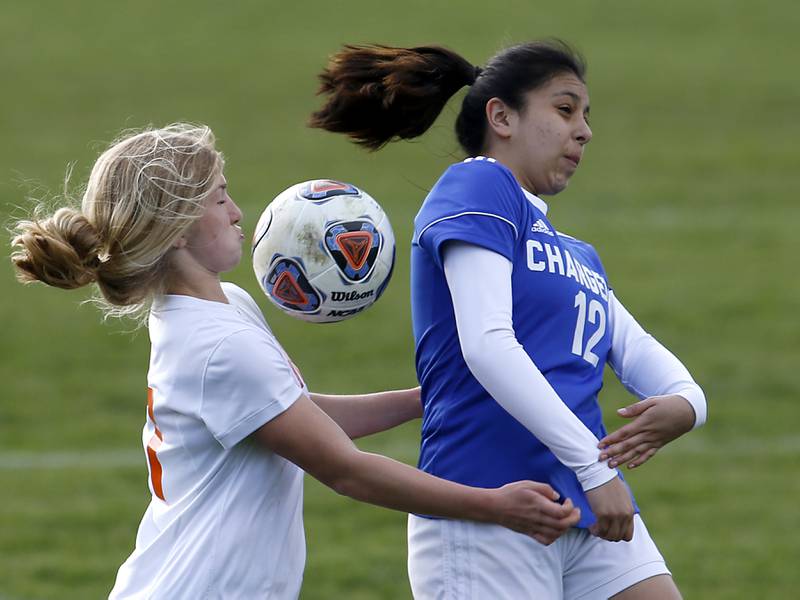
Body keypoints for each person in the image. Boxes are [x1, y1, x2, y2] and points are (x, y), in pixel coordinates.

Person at [9, 123, 582, 599]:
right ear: (178, 229)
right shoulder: (216, 346)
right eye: (218, 197)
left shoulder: (221, 307)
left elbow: (298, 414)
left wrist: (431, 397)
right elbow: (344, 468)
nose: (237, 212)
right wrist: (492, 506)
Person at [309, 41, 707, 599]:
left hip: (585, 503)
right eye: (565, 110)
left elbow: (642, 352)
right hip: (488, 503)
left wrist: (688, 405)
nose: (584, 130)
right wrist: (598, 472)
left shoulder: (576, 253)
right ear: (501, 116)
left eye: (587, 116)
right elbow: (489, 344)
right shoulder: (480, 184)